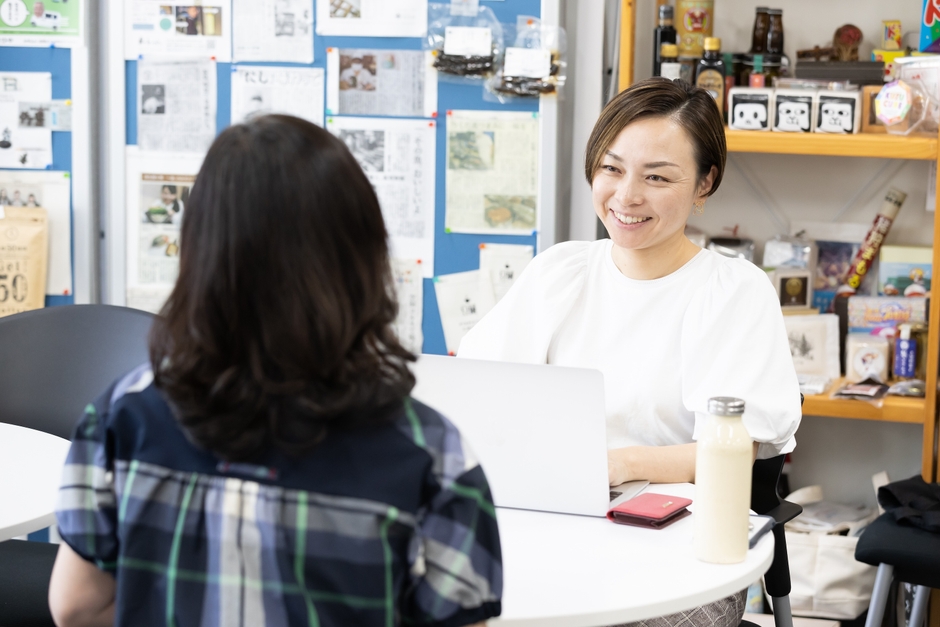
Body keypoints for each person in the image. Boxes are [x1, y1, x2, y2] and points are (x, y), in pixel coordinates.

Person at [49, 115, 502, 627]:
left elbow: (75, 606)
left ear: (201, 255)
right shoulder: (433, 453)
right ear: (364, 259)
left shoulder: (121, 414)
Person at [459, 78, 801, 627]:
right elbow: (480, 390)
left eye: (657, 177)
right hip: (551, 523)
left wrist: (619, 464)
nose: (626, 196)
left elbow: (737, 446)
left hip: (680, 544)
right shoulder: (560, 272)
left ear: (704, 184)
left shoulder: (733, 292)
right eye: (612, 169)